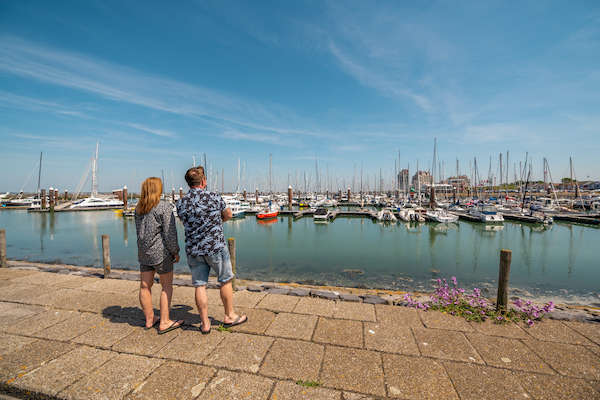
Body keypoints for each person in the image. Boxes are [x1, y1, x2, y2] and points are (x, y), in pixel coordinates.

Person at [176, 166, 247, 334]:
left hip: (194, 249)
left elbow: (184, 220)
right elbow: (228, 214)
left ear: (188, 183)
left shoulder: (181, 202)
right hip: (215, 246)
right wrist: (216, 222)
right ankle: (229, 316)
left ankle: (205, 323)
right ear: (203, 181)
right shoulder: (214, 197)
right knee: (225, 280)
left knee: (199, 285)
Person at [134, 177, 183, 334]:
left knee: (145, 285)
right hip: (160, 253)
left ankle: (150, 319)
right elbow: (170, 234)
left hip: (144, 252)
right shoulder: (163, 207)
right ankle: (164, 321)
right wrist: (175, 251)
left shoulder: (138, 208)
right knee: (166, 286)